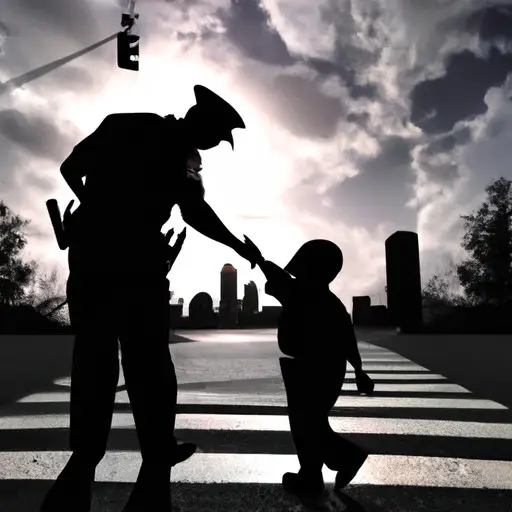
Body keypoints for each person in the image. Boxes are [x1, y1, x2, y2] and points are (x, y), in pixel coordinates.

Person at [40, 86, 261, 512]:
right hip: (137, 265)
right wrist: (236, 245)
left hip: (95, 258)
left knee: (96, 358)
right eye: (215, 137)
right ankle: (155, 451)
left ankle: (91, 456)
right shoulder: (183, 159)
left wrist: (95, 212)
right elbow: (195, 213)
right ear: (201, 125)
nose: (213, 146)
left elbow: (71, 167)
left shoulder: (125, 123)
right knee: (148, 363)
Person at [243, 236, 374, 502]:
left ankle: (346, 457)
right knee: (308, 423)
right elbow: (349, 340)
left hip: (312, 370)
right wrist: (359, 371)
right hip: (322, 370)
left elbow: (279, 279)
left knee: (307, 425)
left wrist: (258, 258)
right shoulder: (331, 302)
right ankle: (310, 475)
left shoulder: (303, 293)